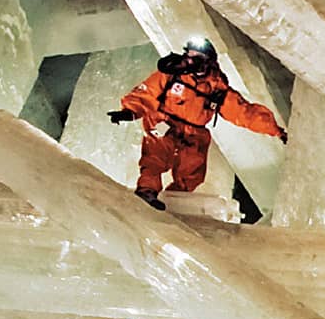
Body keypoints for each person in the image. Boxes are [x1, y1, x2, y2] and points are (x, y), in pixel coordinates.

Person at [109, 38, 286, 210]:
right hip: (164, 122)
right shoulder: (171, 76)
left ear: (208, 61)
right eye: (189, 55)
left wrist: (275, 130)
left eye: (197, 57)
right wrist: (129, 111)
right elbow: (147, 93)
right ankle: (147, 190)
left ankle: (175, 202)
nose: (191, 61)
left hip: (194, 133)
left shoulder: (217, 89)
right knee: (155, 157)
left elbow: (245, 113)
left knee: (191, 173)